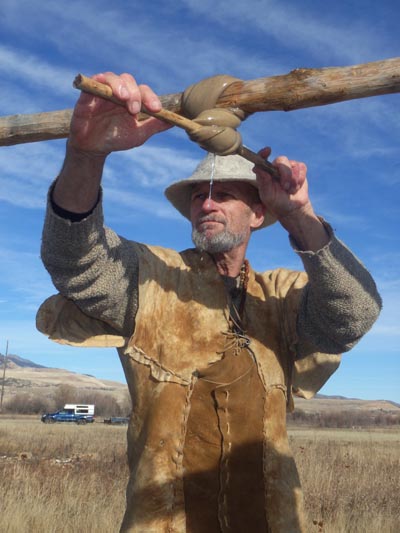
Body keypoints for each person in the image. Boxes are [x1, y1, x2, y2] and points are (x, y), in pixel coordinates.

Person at [37, 72, 382, 533]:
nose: (206, 204)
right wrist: (85, 155)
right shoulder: (153, 278)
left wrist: (301, 218)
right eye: (199, 195)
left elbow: (354, 315)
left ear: (259, 213)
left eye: (225, 194)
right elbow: (75, 260)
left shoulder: (281, 297)